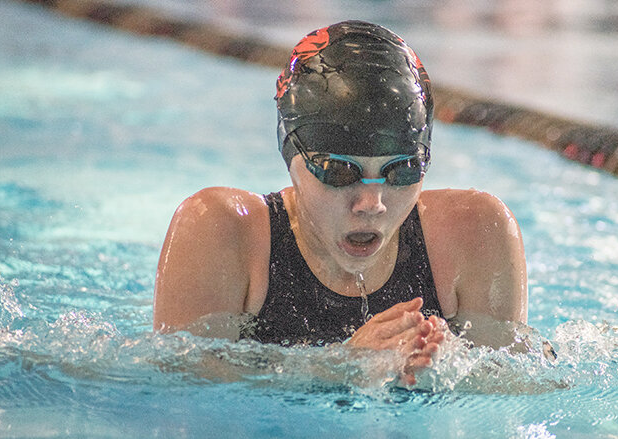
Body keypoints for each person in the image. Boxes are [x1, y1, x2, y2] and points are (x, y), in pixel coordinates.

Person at [153, 20, 527, 384]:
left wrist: (455, 373)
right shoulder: (222, 231)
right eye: (339, 171)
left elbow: (519, 389)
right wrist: (337, 367)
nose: (372, 202)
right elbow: (177, 387)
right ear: (291, 158)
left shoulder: (475, 232)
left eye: (402, 170)